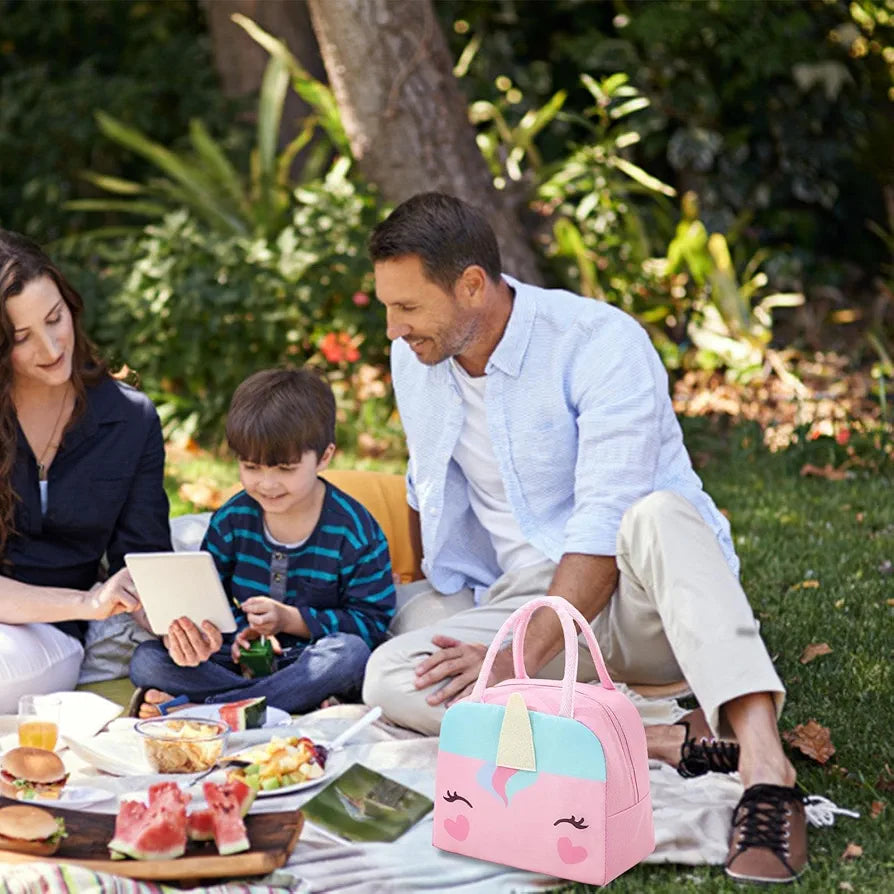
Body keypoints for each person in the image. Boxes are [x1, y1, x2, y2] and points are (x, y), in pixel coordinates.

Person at [360, 193, 806, 884]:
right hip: (523, 602)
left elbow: (602, 535)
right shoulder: (418, 359)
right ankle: (660, 740)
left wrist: (507, 665)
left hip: (638, 601)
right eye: (387, 308)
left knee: (657, 513)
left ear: (473, 285)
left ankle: (764, 767)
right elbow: (427, 488)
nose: (393, 329)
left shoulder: (599, 342)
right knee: (391, 674)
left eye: (408, 308)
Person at [129, 367, 397, 717]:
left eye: (285, 469)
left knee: (350, 655)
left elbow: (372, 624)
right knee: (147, 661)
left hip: (307, 659)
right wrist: (231, 635)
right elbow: (211, 599)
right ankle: (263, 705)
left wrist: (290, 620)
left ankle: (207, 709)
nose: (267, 484)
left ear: (325, 456)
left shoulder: (354, 530)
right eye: (252, 467)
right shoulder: (233, 519)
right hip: (237, 661)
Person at [0, 229, 171, 710]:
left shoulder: (129, 421)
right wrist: (89, 602)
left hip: (45, 636)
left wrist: (175, 617)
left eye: (55, 319)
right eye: (21, 338)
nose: (52, 347)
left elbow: (143, 566)